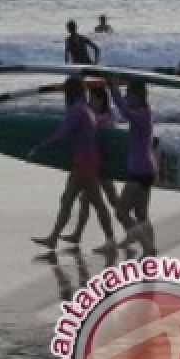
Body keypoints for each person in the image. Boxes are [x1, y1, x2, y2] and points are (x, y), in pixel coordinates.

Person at [27, 77, 111, 250]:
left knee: (96, 202)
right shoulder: (85, 109)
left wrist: (40, 147)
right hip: (86, 160)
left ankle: (111, 240)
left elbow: (62, 134)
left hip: (84, 163)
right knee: (67, 199)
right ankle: (53, 237)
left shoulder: (77, 110)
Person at [59, 85, 120, 247]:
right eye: (88, 98)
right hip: (94, 164)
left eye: (92, 98)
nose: (89, 101)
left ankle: (131, 229)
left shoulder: (107, 116)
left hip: (101, 165)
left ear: (101, 100)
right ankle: (77, 235)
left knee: (110, 201)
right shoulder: (92, 114)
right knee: (87, 200)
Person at [103, 79, 158, 256]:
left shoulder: (141, 114)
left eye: (130, 94)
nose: (127, 98)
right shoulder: (145, 112)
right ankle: (151, 248)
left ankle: (147, 247)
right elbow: (125, 106)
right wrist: (114, 86)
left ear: (138, 95)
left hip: (140, 171)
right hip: (147, 169)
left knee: (121, 212)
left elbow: (124, 110)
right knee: (141, 214)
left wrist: (113, 88)